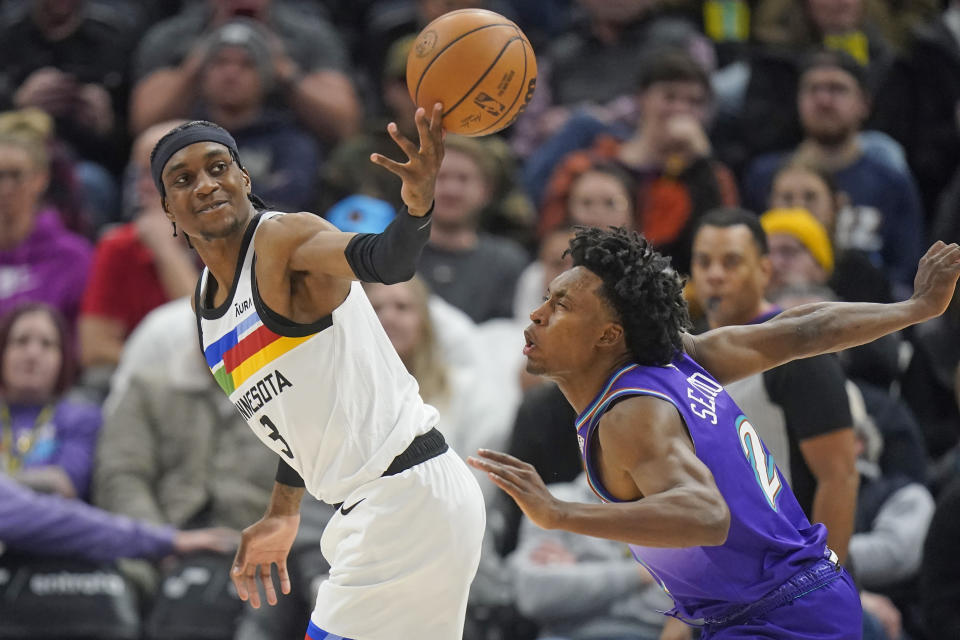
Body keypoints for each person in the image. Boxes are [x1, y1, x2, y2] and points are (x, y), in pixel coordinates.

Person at [468, 225, 960, 637]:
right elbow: (801, 329)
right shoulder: (679, 359)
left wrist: (560, 513)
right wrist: (913, 310)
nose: (538, 313)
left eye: (561, 304)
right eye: (545, 299)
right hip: (791, 602)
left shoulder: (629, 415)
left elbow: (705, 515)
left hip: (778, 618)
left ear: (608, 335)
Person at [150, 108, 485, 640]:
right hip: (377, 506)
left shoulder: (286, 242)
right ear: (168, 207)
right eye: (183, 179)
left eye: (218, 167)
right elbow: (306, 416)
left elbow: (385, 261)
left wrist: (418, 205)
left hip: (406, 501)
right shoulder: (204, 304)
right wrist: (283, 511)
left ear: (244, 178)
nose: (207, 184)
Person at [689, 208, 858, 564]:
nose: (715, 275)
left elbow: (840, 477)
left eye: (731, 262)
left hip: (793, 572)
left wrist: (821, 581)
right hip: (724, 572)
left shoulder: (797, 352)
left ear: (765, 270)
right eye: (704, 262)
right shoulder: (686, 353)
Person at [0, 302, 100, 500]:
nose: (32, 354)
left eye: (47, 344)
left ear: (63, 358)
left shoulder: (82, 418)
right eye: (21, 341)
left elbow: (65, 484)